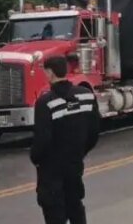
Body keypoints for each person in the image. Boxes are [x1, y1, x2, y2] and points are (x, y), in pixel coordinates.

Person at [31, 56, 97, 224]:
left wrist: (36, 158)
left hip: (51, 171)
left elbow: (42, 139)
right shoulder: (87, 96)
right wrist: (80, 153)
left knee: (54, 213)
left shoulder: (45, 103)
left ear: (50, 73)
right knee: (75, 208)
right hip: (74, 165)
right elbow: (94, 131)